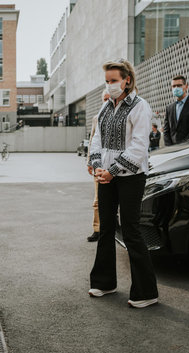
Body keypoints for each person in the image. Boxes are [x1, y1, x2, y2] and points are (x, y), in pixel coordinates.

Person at [88, 58, 158, 309]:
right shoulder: (106, 106)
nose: (110, 85)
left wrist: (113, 171)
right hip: (105, 175)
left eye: (114, 80)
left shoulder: (140, 106)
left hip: (130, 177)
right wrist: (97, 166)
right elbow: (96, 138)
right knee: (106, 227)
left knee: (130, 229)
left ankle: (147, 291)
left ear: (127, 80)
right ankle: (104, 282)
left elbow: (139, 146)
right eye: (107, 81)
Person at [86, 89, 110, 242]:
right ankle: (97, 229)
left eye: (109, 98)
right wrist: (89, 161)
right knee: (97, 200)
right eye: (105, 99)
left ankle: (112, 228)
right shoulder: (96, 118)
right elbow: (92, 140)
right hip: (98, 165)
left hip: (113, 165)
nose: (107, 101)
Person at [163, 75, 189, 146]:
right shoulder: (169, 108)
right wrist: (170, 147)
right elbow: (166, 131)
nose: (176, 88)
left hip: (188, 148)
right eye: (174, 86)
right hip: (171, 150)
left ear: (186, 86)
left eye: (179, 85)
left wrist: (182, 146)